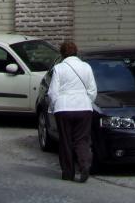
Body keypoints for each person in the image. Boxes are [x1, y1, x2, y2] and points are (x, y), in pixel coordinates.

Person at [47, 40, 97, 183]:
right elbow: (92, 90)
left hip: (64, 109)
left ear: (62, 54)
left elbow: (53, 92)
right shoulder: (86, 67)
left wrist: (56, 105)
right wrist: (86, 101)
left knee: (65, 141)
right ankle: (84, 165)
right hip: (84, 108)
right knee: (82, 140)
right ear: (76, 52)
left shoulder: (59, 68)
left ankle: (68, 173)